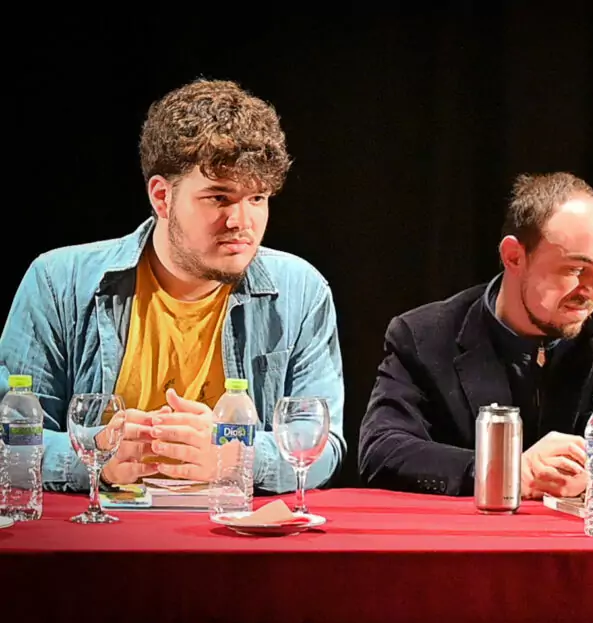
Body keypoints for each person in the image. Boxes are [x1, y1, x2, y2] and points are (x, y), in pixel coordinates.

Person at [0, 79, 346, 493]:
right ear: (162, 197)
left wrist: (235, 457)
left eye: (257, 199)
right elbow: (8, 443)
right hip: (104, 524)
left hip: (230, 524)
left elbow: (322, 446)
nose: (241, 222)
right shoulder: (59, 282)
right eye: (219, 198)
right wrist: (96, 455)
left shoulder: (301, 291)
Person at [359, 172, 593, 498]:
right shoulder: (424, 336)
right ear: (514, 256)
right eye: (575, 270)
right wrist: (503, 472)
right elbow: (382, 449)